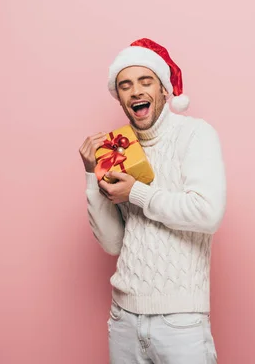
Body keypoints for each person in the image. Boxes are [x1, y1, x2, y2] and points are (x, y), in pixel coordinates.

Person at [78, 38, 226, 363]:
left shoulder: (196, 135)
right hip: (123, 319)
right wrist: (93, 176)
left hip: (181, 322)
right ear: (120, 98)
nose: (136, 91)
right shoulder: (120, 148)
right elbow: (113, 243)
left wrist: (136, 192)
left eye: (146, 81)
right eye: (126, 86)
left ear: (164, 90)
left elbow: (208, 213)